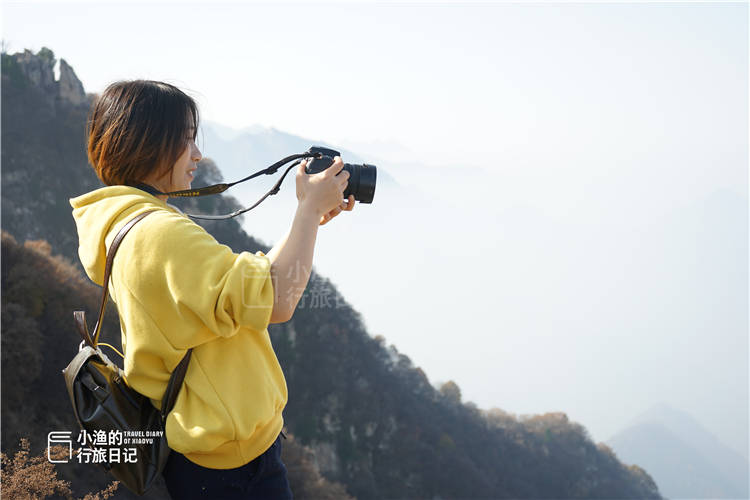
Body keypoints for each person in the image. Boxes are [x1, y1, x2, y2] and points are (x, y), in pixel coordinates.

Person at [69, 80, 355, 499]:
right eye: (186, 141)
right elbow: (277, 299)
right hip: (231, 469)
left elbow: (244, 290)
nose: (198, 154)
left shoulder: (121, 223)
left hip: (203, 456)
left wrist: (308, 223)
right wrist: (308, 210)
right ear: (149, 144)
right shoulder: (162, 235)